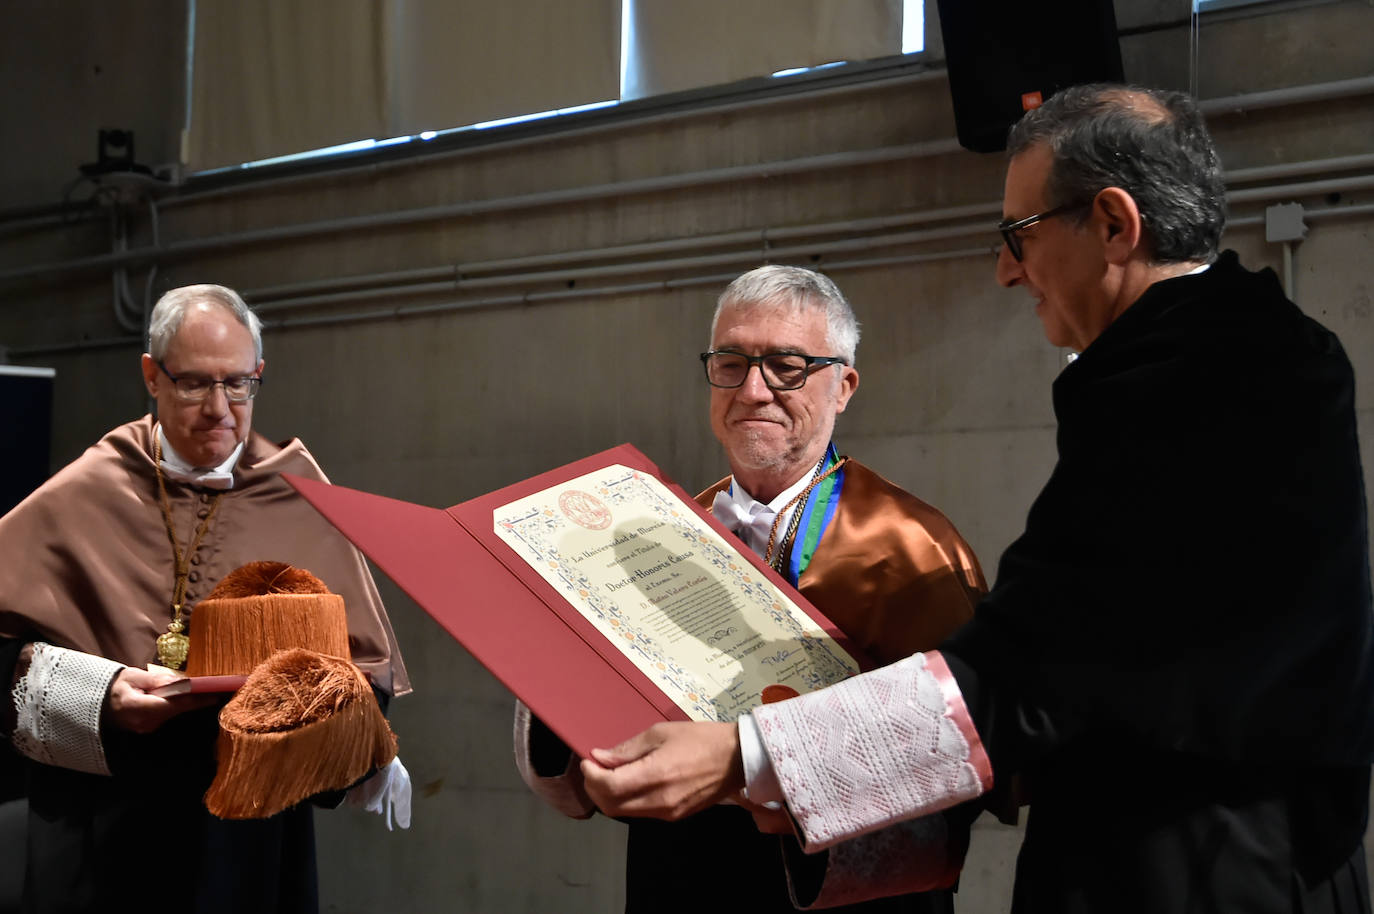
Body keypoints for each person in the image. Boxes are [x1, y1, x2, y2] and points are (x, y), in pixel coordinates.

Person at [579, 85, 1374, 914]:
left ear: (1113, 224)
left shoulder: (1190, 390)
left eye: (1018, 235)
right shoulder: (1257, 355)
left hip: (1197, 869)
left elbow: (1016, 681)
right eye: (730, 363)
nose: (1005, 269)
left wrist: (740, 758)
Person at [516, 265, 986, 912]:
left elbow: (955, 761)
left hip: (827, 895)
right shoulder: (657, 529)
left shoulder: (914, 547)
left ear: (843, 386)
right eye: (731, 363)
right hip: (672, 876)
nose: (754, 389)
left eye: (786, 366)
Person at [0, 284, 412, 913]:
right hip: (103, 839)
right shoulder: (86, 489)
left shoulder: (299, 495)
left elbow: (364, 677)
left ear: (258, 377)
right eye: (194, 383)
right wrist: (99, 694)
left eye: (238, 383)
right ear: (152, 376)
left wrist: (324, 715)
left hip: (248, 846)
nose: (219, 409)